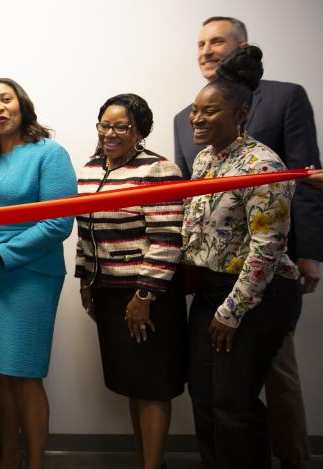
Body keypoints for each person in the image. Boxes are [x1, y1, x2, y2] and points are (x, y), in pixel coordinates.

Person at [174, 19, 321, 467]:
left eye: (209, 112)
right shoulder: (203, 159)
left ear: (240, 114)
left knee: (235, 404)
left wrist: (233, 312)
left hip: (258, 293)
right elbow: (195, 224)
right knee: (204, 396)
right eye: (195, 112)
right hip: (211, 288)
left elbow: (267, 248)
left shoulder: (262, 164)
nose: (196, 119)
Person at [0, 78, 77, 469]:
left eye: (5, 99)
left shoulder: (49, 154)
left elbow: (58, 224)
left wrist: (1, 255)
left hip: (27, 275)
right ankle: (7, 458)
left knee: (24, 374)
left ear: (22, 105)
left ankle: (35, 462)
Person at [76, 94, 186, 469]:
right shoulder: (90, 169)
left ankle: (152, 465)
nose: (110, 133)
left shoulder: (159, 170)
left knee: (152, 383)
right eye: (104, 124)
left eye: (121, 126)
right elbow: (83, 230)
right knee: (132, 380)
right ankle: (145, 460)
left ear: (140, 131)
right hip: (107, 291)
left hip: (146, 294)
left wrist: (144, 294)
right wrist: (85, 280)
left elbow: (168, 238)